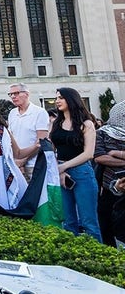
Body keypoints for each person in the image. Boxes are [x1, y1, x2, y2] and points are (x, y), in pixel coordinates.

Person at [50, 87, 101, 241]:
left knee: (88, 221)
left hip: (82, 172)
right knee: (68, 221)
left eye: (61, 98)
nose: (57, 101)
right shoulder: (56, 123)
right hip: (61, 173)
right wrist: (59, 170)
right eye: (56, 98)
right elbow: (51, 149)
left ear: (71, 99)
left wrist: (63, 167)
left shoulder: (86, 124)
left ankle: (98, 259)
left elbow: (88, 154)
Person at [94, 100, 125, 246]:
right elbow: (100, 157)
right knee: (105, 222)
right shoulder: (102, 133)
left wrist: (115, 153)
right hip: (109, 184)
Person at [6, 83, 49, 181]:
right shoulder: (12, 113)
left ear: (26, 94)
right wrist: (16, 161)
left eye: (16, 93)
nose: (13, 96)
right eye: (10, 94)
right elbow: (10, 140)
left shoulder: (39, 112)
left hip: (34, 164)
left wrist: (23, 160)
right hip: (16, 165)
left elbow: (41, 141)